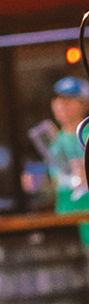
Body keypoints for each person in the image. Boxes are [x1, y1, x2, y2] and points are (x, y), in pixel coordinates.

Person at [32, 74, 89, 245]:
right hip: (65, 222)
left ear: (84, 104)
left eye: (68, 99)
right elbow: (58, 184)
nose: (60, 104)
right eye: (57, 99)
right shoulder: (54, 142)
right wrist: (38, 183)